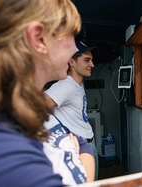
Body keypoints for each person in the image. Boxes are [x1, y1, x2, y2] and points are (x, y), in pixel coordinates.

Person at [0, 0, 89, 186]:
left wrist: (77, 152)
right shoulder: (1, 154)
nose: (75, 48)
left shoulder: (21, 110)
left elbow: (84, 145)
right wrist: (75, 156)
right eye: (71, 35)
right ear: (39, 39)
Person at [45, 41, 99, 180]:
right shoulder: (65, 86)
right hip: (78, 147)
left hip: (87, 142)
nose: (92, 65)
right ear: (72, 62)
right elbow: (37, 108)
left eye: (92, 60)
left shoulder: (78, 84)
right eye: (87, 60)